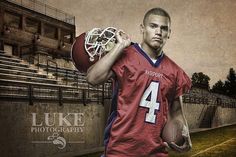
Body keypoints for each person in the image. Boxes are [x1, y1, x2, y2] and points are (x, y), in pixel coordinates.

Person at [87, 7, 192, 157]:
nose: (158, 32)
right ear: (143, 28)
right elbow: (92, 78)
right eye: (153, 26)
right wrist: (119, 46)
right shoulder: (125, 56)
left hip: (156, 151)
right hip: (120, 150)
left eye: (164, 28)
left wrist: (185, 134)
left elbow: (176, 113)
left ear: (169, 33)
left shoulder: (175, 72)